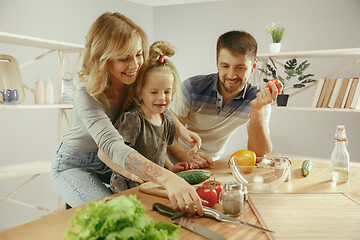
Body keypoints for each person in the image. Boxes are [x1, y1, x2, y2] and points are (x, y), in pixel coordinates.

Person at [50, 12, 203, 216]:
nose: (135, 65)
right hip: (74, 166)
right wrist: (166, 178)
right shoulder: (87, 95)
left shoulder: (132, 81)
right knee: (114, 216)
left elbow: (151, 103)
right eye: (124, 58)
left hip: (113, 165)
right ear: (102, 59)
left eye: (138, 54)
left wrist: (180, 128)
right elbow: (112, 145)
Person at [168, 30, 278, 168]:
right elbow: (168, 136)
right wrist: (187, 157)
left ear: (253, 66)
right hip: (175, 162)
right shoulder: (191, 88)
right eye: (225, 66)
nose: (231, 75)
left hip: (212, 164)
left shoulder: (257, 100)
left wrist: (257, 111)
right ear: (217, 63)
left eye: (240, 67)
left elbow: (260, 155)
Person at [98, 41, 194, 193]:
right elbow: (109, 153)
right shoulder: (133, 120)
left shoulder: (168, 120)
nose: (162, 98)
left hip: (152, 186)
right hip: (126, 188)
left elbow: (161, 151)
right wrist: (130, 173)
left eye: (167, 92)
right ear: (139, 92)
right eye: (154, 92)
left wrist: (170, 167)